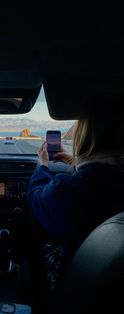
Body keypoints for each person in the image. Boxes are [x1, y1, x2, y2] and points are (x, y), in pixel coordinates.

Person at [27, 92, 124, 291]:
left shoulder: (69, 189)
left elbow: (36, 199)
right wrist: (75, 162)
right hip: (114, 288)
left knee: (31, 246)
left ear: (85, 134)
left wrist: (43, 166)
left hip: (82, 287)